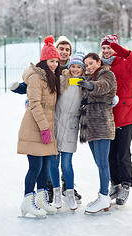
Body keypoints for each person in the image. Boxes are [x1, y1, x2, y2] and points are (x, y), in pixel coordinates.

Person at [9, 36, 82, 204]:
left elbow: (82, 84)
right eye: (61, 49)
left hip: (63, 120)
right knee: (47, 161)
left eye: (67, 49)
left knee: (63, 160)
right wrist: (20, 89)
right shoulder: (43, 69)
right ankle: (48, 190)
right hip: (47, 119)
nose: (63, 53)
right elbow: (32, 85)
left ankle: (65, 186)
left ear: (70, 53)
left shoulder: (74, 68)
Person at [100, 35, 132, 205]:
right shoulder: (100, 66)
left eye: (110, 48)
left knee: (122, 153)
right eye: (104, 48)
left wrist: (126, 53)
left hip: (124, 116)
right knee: (109, 154)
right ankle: (114, 183)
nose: (106, 51)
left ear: (116, 49)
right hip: (106, 117)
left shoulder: (127, 64)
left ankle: (126, 184)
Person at [18, 35, 60, 218]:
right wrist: (44, 128)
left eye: (57, 61)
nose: (54, 64)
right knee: (35, 166)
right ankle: (27, 201)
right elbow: (34, 104)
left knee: (46, 165)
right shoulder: (36, 77)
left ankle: (42, 199)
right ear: (44, 60)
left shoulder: (51, 77)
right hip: (35, 126)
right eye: (51, 61)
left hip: (46, 125)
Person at [78, 52, 117, 214]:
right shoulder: (88, 77)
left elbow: (104, 86)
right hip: (91, 126)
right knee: (99, 163)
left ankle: (103, 196)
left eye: (91, 63)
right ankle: (103, 196)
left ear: (98, 62)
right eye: (86, 65)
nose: (89, 66)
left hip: (102, 123)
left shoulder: (106, 73)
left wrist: (91, 86)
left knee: (102, 163)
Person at [50, 52, 86, 210]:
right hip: (56, 124)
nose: (76, 69)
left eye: (79, 67)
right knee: (53, 161)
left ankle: (69, 193)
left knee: (66, 164)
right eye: (73, 66)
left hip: (71, 126)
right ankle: (56, 193)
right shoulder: (61, 79)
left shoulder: (84, 84)